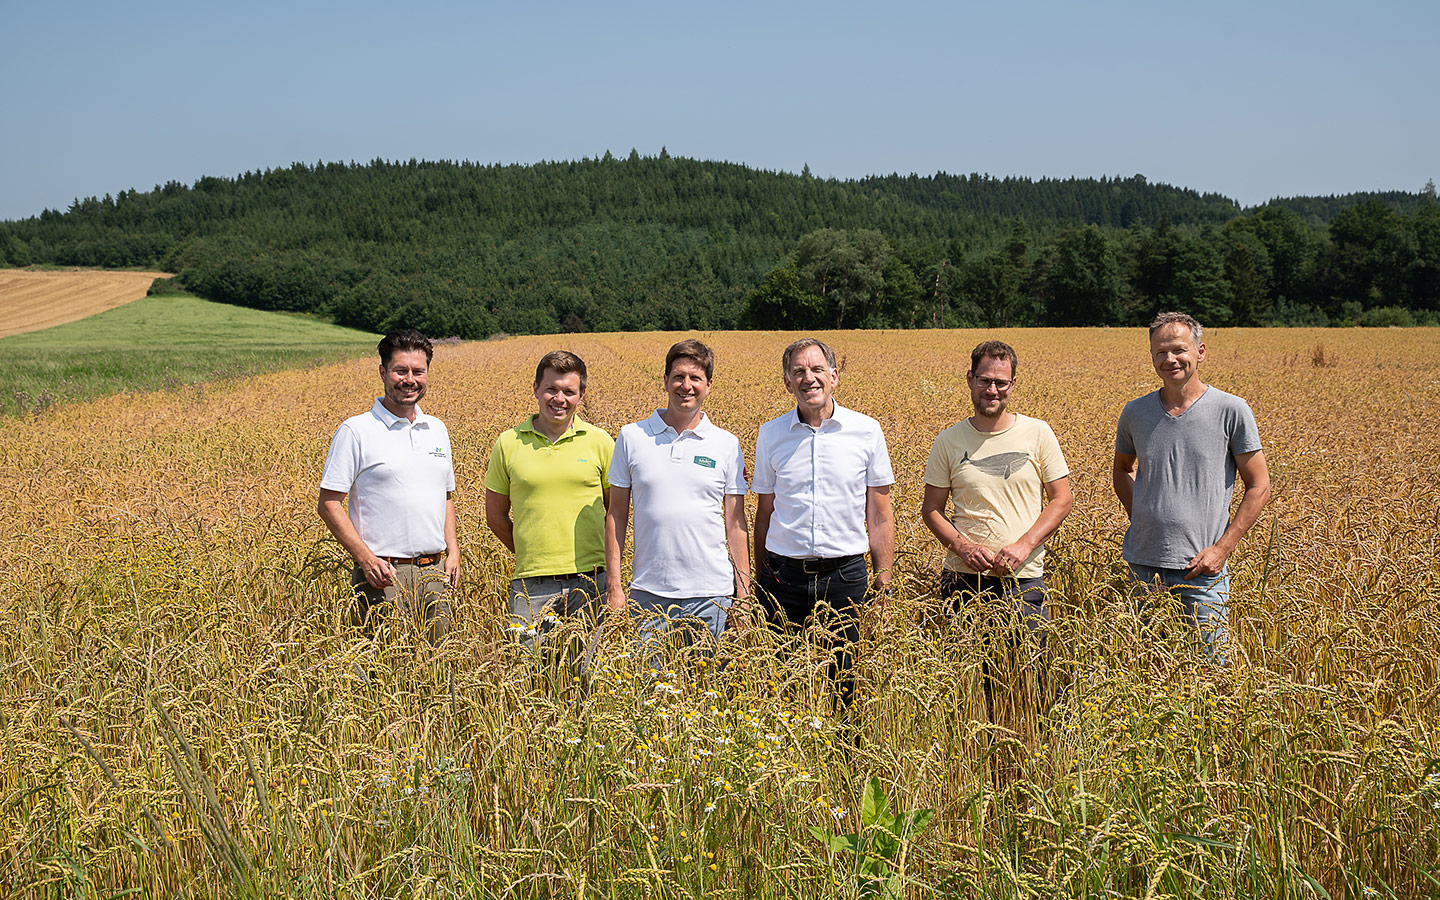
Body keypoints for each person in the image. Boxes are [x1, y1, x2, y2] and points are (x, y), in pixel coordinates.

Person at [921, 340, 1072, 714]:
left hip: (1025, 581)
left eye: (1001, 383)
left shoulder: (1038, 433)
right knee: (970, 687)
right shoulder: (949, 440)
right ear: (970, 379)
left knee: (1036, 684)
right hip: (963, 582)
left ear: (1013, 384)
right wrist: (964, 548)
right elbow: (932, 510)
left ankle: (1038, 755)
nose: (992, 390)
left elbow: (1062, 499)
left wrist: (1023, 546)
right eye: (985, 380)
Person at [1113, 311, 1271, 662]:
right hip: (1143, 566)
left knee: (1211, 670)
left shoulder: (1231, 410)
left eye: (1178, 350)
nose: (1169, 359)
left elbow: (1259, 485)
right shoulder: (1135, 413)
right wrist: (1141, 517)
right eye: (1160, 352)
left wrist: (1223, 549)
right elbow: (1122, 470)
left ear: (1200, 351)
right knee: (1146, 670)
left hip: (1202, 570)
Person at [752, 338, 895, 710]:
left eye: (817, 370)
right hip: (784, 579)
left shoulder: (867, 431)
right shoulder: (770, 434)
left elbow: (879, 514)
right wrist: (759, 578)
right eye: (798, 371)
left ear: (834, 376)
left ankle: (848, 762)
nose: (808, 378)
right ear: (787, 383)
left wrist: (884, 585)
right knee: (782, 687)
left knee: (847, 688)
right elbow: (764, 512)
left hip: (844, 578)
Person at [604, 339, 749, 651]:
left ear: (709, 385)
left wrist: (743, 595)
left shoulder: (726, 444)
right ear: (665, 381)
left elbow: (736, 524)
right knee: (650, 690)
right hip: (649, 595)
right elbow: (616, 515)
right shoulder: (632, 437)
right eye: (679, 377)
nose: (686, 386)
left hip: (713, 597)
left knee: (710, 690)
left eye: (696, 378)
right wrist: (615, 587)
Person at [318, 329, 459, 644]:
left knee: (438, 667)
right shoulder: (356, 431)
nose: (410, 379)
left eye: (418, 371)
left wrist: (453, 551)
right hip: (383, 578)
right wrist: (366, 559)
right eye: (401, 370)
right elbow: (328, 503)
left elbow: (445, 495)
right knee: (388, 672)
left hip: (436, 573)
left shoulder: (436, 429)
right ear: (383, 371)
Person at [485, 350, 613, 646]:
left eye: (569, 391)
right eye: (551, 389)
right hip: (531, 584)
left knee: (587, 674)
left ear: (581, 395)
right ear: (536, 389)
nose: (559, 398)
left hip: (591, 581)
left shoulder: (601, 442)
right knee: (527, 674)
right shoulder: (508, 443)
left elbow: (615, 510)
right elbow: (495, 516)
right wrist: (532, 552)